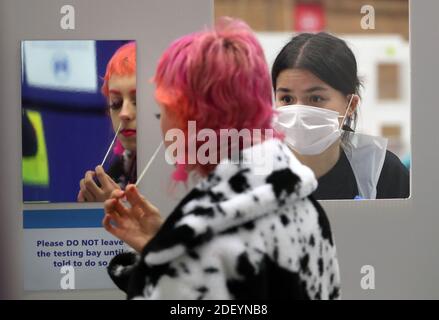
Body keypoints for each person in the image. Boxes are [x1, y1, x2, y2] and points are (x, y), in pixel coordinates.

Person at [102, 18, 341, 300]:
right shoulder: (305, 206)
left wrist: (165, 262)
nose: (160, 123)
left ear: (192, 118)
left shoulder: (198, 246)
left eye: (163, 110)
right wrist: (161, 248)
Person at [272, 32, 410, 200]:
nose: (299, 111)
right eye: (287, 99)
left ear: (350, 105)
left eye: (316, 98)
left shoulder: (381, 172)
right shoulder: (251, 173)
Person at [77, 42, 137, 202]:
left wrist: (117, 209)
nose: (124, 114)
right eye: (116, 103)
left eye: (137, 101)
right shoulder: (116, 173)